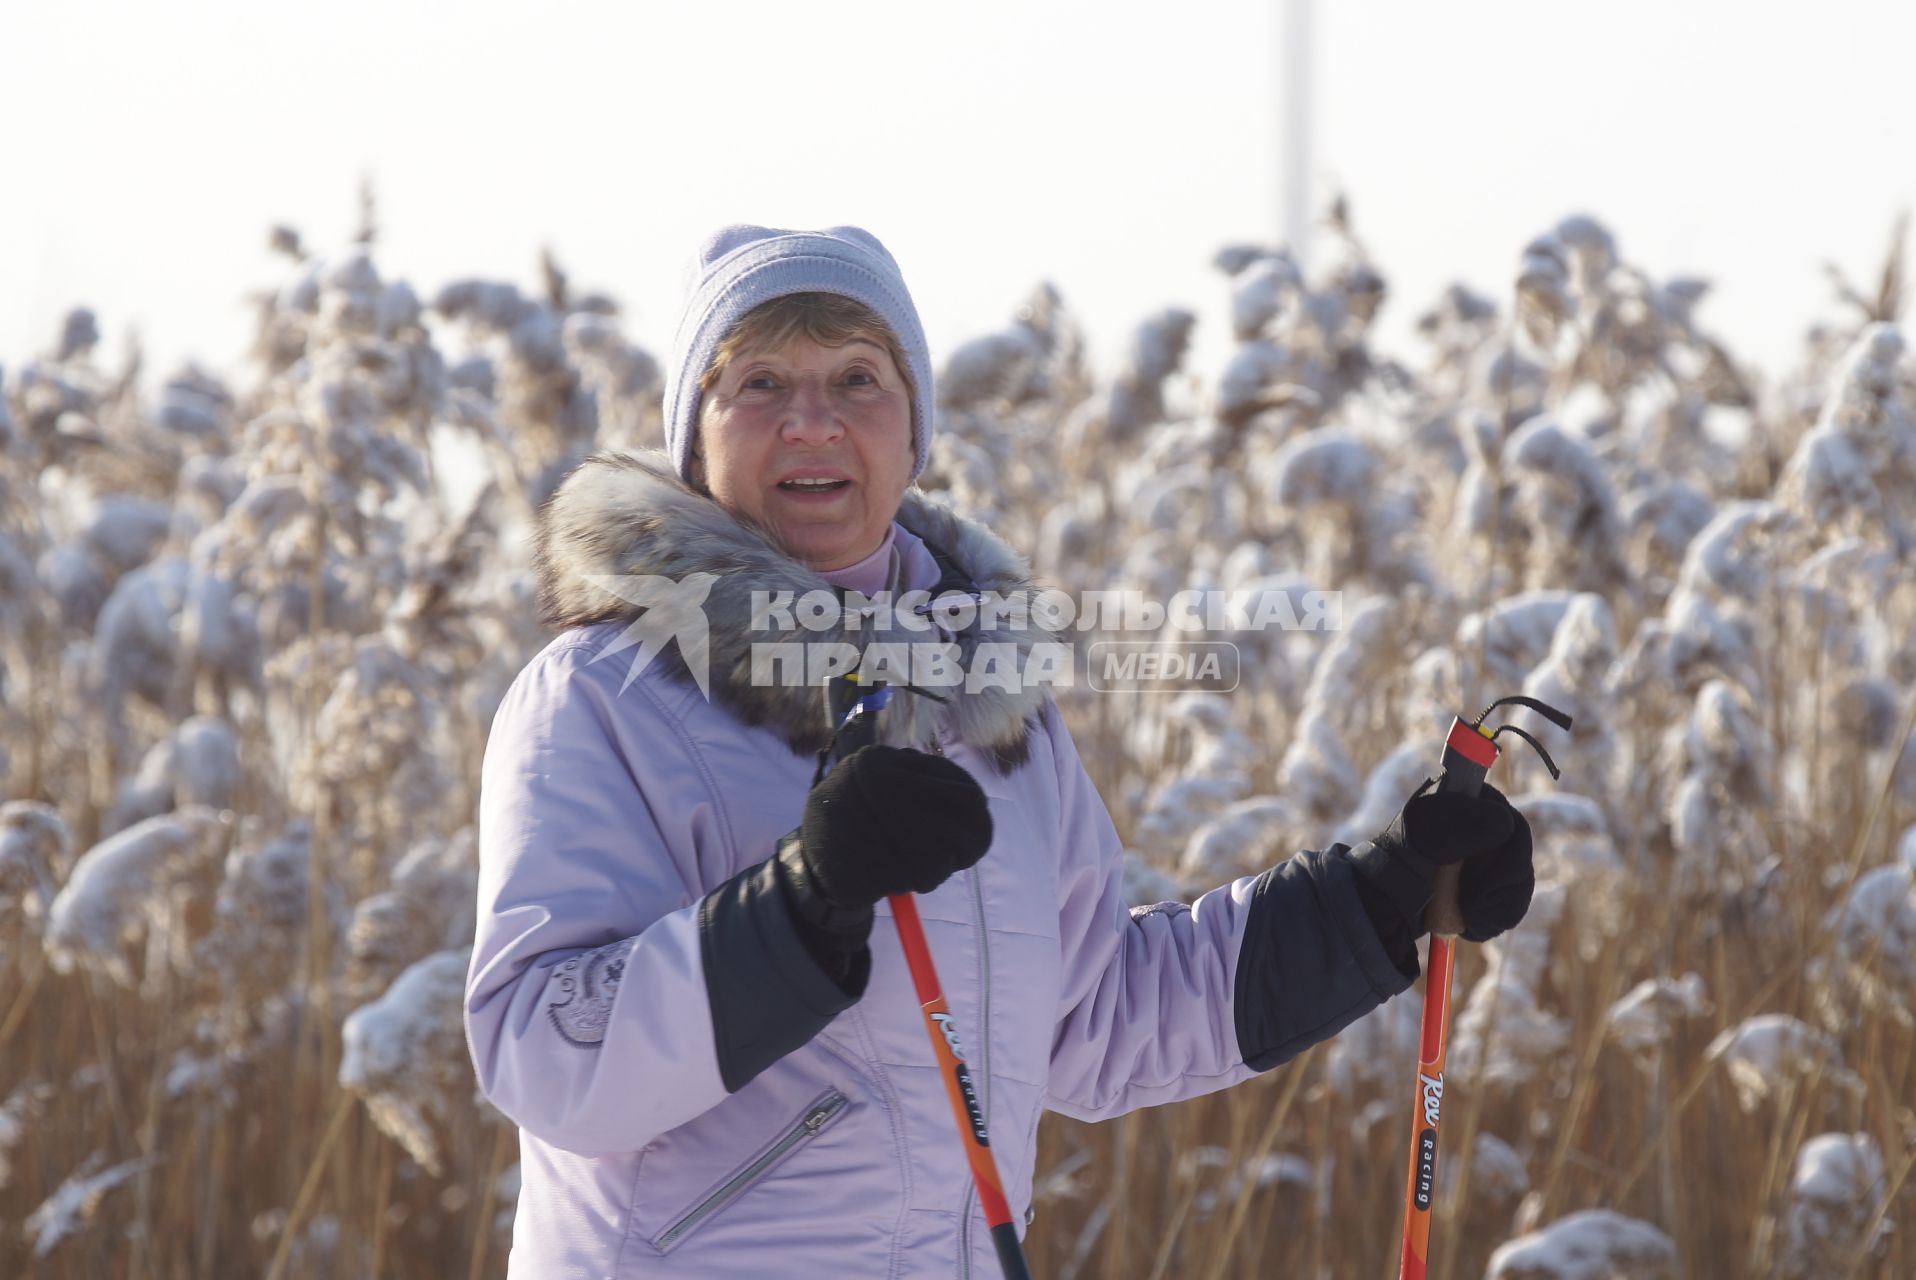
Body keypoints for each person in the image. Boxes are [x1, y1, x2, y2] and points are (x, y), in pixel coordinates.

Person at [463, 224, 1534, 1277]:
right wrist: (795, 910)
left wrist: (1376, 902)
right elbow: (542, 1052)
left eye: (855, 378)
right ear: (693, 434)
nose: (811, 421)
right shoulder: (602, 696)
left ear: (913, 426)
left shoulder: (983, 698)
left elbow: (1095, 1013)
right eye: (756, 384)